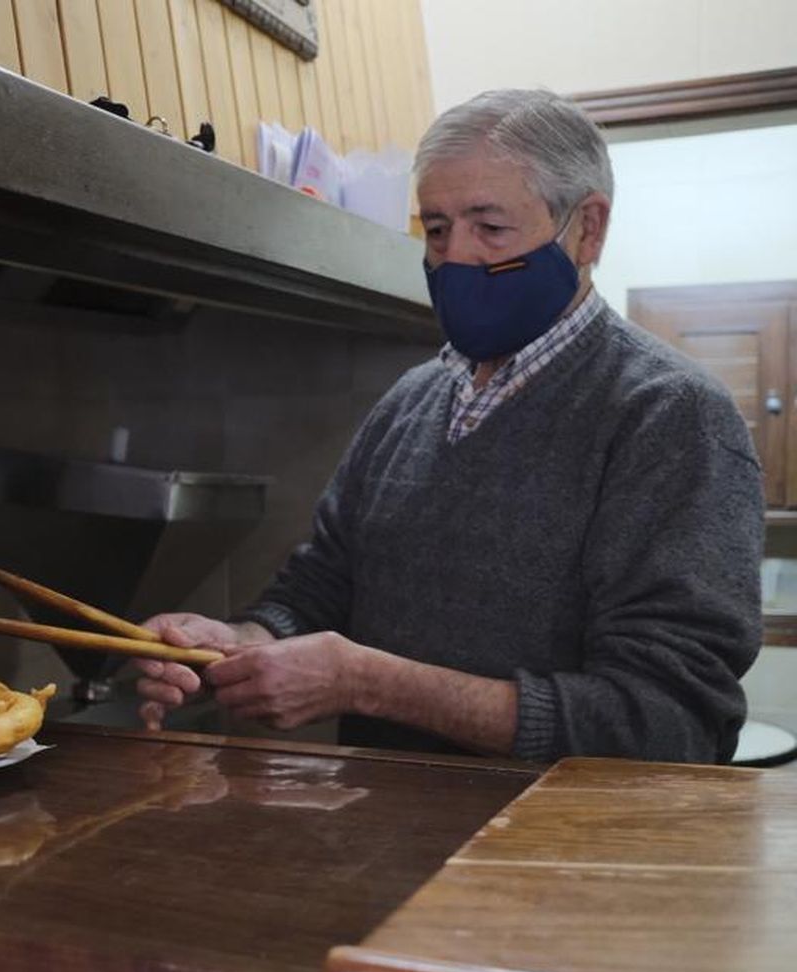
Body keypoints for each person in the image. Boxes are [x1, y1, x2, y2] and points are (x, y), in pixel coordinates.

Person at [134, 88, 763, 764]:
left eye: (489, 227)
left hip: (550, 834)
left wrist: (370, 683)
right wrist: (236, 645)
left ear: (587, 229)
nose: (455, 257)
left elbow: (670, 723)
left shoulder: (671, 416)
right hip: (383, 824)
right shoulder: (411, 399)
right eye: (436, 230)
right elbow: (319, 589)